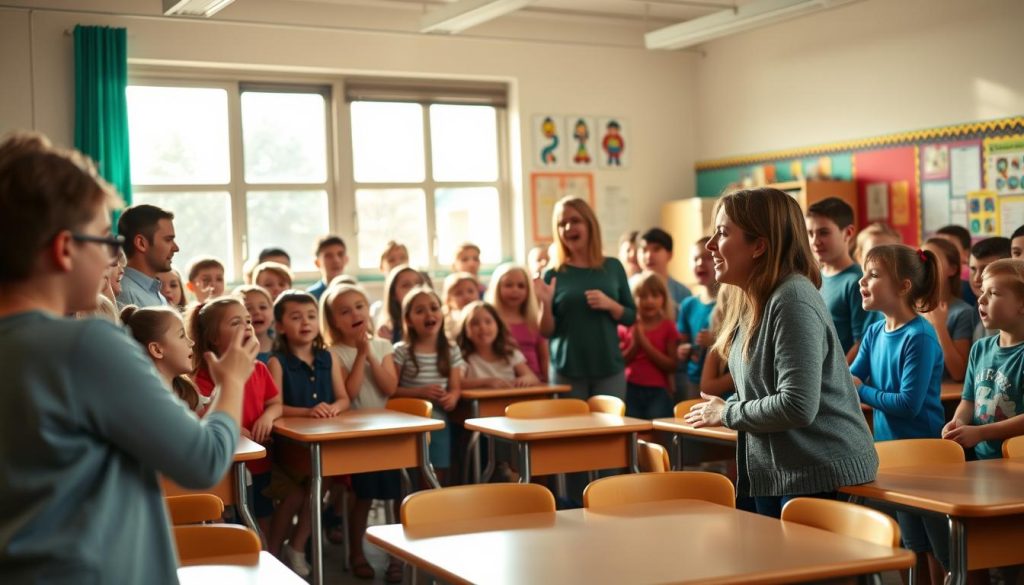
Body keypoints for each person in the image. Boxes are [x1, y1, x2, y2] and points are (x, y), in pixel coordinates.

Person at [0, 132, 257, 582]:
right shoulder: (87, 345)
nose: (111, 258)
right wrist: (232, 381)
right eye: (103, 240)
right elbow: (202, 461)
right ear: (64, 249)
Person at [685, 188, 877, 519]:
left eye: (723, 233)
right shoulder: (753, 298)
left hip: (818, 471)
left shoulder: (792, 300)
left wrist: (728, 412)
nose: (711, 246)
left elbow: (797, 406)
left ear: (759, 245)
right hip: (780, 471)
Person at [851, 243, 949, 581]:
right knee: (914, 546)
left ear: (904, 286)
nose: (862, 281)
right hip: (894, 457)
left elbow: (908, 404)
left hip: (925, 458)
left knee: (940, 549)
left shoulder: (919, 336)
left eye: (874, 275)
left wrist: (861, 391)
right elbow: (852, 375)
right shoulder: (875, 330)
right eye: (864, 273)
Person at [321, 283, 403, 582]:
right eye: (345, 311)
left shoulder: (383, 347)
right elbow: (351, 392)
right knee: (363, 498)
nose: (355, 314)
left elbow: (389, 387)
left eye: (359, 307)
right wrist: (359, 355)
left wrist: (370, 353)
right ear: (333, 322)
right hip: (357, 438)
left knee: (396, 496)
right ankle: (357, 552)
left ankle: (398, 557)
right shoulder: (333, 354)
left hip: (387, 434)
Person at [266, 290, 349, 576]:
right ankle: (273, 557)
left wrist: (332, 409)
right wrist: (309, 412)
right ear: (279, 326)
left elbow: (343, 398)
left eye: (311, 316)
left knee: (320, 482)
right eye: (296, 317)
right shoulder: (277, 361)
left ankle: (297, 546)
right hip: (289, 448)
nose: (305, 322)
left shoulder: (329, 357)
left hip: (324, 443)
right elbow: (275, 406)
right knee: (298, 494)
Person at [535, 196, 636, 401]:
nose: (568, 227)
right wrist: (545, 303)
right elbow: (546, 331)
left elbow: (630, 316)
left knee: (609, 430)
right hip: (566, 370)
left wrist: (611, 305)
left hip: (609, 368)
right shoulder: (552, 273)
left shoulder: (613, 267)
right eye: (562, 224)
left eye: (575, 221)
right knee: (570, 431)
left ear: (590, 224)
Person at [944, 259, 1024, 459]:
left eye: (993, 293)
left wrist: (980, 433)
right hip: (983, 460)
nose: (981, 300)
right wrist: (959, 421)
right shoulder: (980, 348)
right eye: (982, 291)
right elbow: (969, 400)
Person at [394, 286, 464, 485]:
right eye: (420, 310)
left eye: (434, 308)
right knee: (409, 477)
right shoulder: (402, 351)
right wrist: (419, 392)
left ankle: (432, 506)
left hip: (439, 420)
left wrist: (453, 397)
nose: (429, 314)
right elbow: (391, 391)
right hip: (408, 422)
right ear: (408, 319)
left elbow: (455, 387)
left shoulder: (451, 350)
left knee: (436, 473)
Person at [806, 197, 869, 363]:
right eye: (810, 233)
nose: (815, 241)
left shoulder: (857, 281)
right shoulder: (814, 277)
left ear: (848, 233)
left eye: (824, 233)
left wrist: (840, 378)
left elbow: (862, 342)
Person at [618, 272, 679, 419]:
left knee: (659, 431)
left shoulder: (668, 326)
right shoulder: (627, 325)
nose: (649, 301)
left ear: (663, 299)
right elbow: (620, 362)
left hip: (658, 390)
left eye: (655, 296)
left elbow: (672, 365)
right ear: (634, 299)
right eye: (643, 296)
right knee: (634, 432)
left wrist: (645, 344)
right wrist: (634, 344)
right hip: (630, 387)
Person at [920, 237, 977, 381]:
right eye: (922, 260)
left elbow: (958, 373)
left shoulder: (962, 312)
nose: (926, 266)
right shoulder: (909, 307)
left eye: (934, 261)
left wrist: (939, 327)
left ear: (952, 269)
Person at [485, 263, 549, 382]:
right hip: (504, 384)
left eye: (521, 286)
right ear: (497, 287)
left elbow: (544, 356)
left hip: (535, 383)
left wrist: (546, 382)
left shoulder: (534, 321)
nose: (515, 290)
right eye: (508, 285)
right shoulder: (489, 322)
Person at [459, 301, 540, 389]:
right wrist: (488, 382)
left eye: (488, 322)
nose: (483, 327)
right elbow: (458, 382)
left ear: (498, 325)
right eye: (475, 323)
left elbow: (532, 378)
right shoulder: (462, 357)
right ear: (465, 331)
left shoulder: (510, 354)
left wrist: (524, 380)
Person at [116, 203, 179, 307]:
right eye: (168, 240)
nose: (176, 248)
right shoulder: (125, 294)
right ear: (141, 243)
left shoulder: (156, 293)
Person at [677, 236, 718, 398]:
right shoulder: (688, 305)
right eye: (696, 259)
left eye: (708, 258)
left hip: (721, 383)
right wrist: (682, 351)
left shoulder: (729, 304)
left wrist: (714, 341)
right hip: (693, 380)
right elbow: (683, 343)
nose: (700, 263)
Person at [968, 237, 1011, 342]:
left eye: (986, 270)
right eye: (973, 269)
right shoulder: (976, 307)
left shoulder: (1012, 316)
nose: (976, 278)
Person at [637, 227, 691, 310]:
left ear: (670, 254)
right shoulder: (628, 289)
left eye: (656, 249)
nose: (649, 255)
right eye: (644, 250)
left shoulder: (683, 293)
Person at [935, 224, 975, 306]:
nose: (938, 251)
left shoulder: (968, 280)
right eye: (936, 246)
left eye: (948, 246)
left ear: (966, 253)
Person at [307, 235, 348, 301]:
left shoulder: (355, 292)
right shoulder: (312, 296)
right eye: (328, 256)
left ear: (346, 259)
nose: (336, 260)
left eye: (340, 254)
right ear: (317, 262)